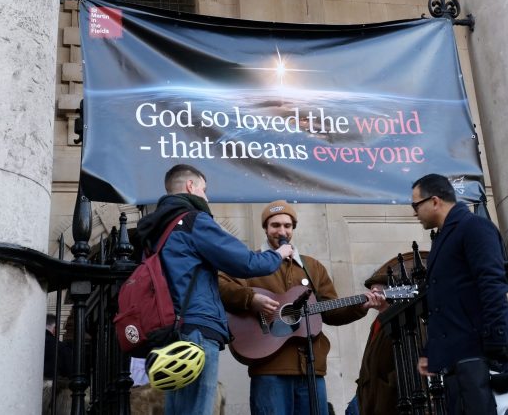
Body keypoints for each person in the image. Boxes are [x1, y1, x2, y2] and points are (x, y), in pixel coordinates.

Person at [134, 164, 294, 415]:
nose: (207, 197)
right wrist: (278, 254)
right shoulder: (192, 220)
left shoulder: (157, 231)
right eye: (204, 190)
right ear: (191, 186)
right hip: (196, 330)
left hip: (169, 331)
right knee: (198, 409)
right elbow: (245, 262)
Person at [219, 199, 386, 415]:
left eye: (287, 226)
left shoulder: (312, 267)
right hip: (269, 368)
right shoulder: (251, 261)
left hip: (311, 368)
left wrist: (360, 306)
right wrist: (251, 299)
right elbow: (220, 285)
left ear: (293, 229)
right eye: (275, 225)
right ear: (265, 228)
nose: (282, 231)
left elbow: (329, 310)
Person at [410, 173, 508, 411]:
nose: (414, 212)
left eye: (415, 205)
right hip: (459, 361)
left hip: (482, 356)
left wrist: (496, 346)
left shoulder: (474, 227)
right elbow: (443, 301)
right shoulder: (443, 237)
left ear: (434, 201)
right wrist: (430, 351)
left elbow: (493, 284)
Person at [352, 251, 426, 415]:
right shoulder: (376, 323)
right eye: (371, 290)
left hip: (393, 402)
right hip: (371, 402)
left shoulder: (404, 318)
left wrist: (386, 388)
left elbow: (413, 359)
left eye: (376, 290)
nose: (371, 294)